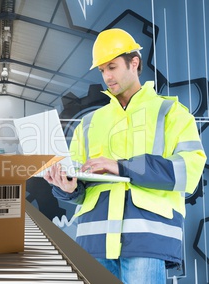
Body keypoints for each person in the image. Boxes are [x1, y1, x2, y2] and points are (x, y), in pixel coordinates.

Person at [44, 28, 206, 283]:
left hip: (146, 239)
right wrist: (66, 187)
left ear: (134, 63)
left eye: (112, 67)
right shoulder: (88, 123)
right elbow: (79, 186)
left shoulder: (170, 113)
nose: (107, 76)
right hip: (93, 242)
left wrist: (123, 167)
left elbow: (190, 169)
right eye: (102, 70)